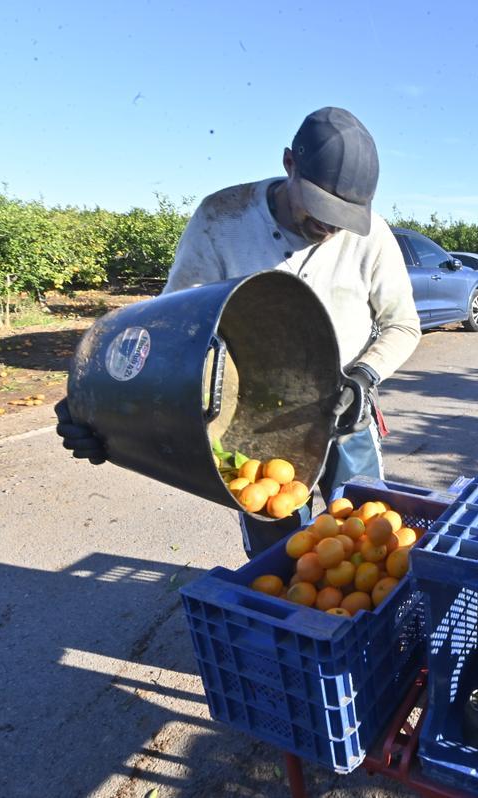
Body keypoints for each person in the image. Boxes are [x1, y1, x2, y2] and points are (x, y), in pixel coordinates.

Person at [55, 106, 421, 556]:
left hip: (345, 409)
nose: (330, 225)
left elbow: (402, 325)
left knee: (369, 539)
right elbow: (171, 329)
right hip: (251, 420)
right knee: (279, 554)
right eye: (322, 206)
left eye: (344, 215)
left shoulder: (372, 236)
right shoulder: (223, 219)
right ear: (289, 164)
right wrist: (100, 406)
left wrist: (363, 377)